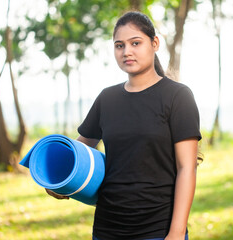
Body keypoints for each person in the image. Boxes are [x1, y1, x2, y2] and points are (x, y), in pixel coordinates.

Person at [46, 11, 202, 240]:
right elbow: (78, 152)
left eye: (135, 43)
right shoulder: (106, 99)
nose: (126, 51)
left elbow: (187, 168)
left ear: (154, 43)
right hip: (107, 229)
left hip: (158, 229)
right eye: (119, 45)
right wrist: (58, 181)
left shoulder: (177, 96)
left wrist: (177, 232)